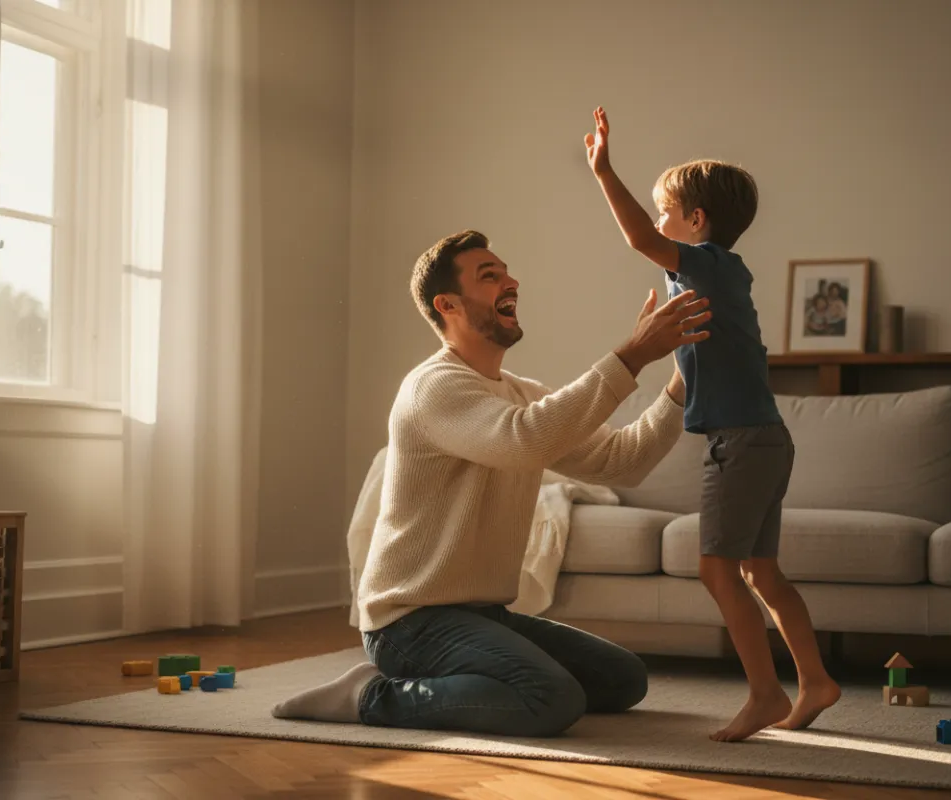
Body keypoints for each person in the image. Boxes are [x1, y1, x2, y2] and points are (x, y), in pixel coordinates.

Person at [271, 229, 712, 738]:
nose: (512, 281)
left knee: (624, 679)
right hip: (410, 622)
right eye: (490, 276)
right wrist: (632, 354)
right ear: (448, 305)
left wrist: (682, 378)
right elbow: (522, 440)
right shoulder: (433, 386)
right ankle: (370, 694)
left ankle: (460, 679)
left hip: (484, 615)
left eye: (506, 271)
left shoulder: (522, 392)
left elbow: (622, 462)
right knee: (551, 697)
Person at [584, 106, 840, 742]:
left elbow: (641, 239)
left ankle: (763, 693)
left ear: (696, 223)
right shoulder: (708, 280)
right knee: (761, 572)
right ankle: (815, 681)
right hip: (763, 440)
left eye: (665, 210)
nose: (658, 224)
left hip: (743, 444)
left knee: (716, 570)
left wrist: (604, 172)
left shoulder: (710, 265)